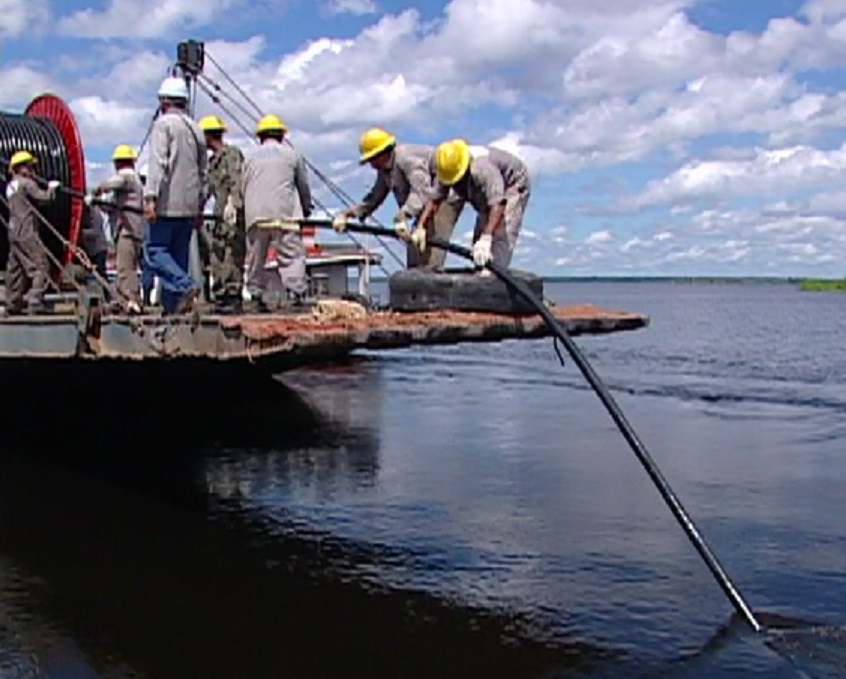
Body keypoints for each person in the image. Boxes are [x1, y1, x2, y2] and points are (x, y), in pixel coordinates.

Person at [333, 127, 463, 269]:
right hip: (425, 202)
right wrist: (348, 214)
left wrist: (403, 214)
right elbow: (374, 197)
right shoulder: (385, 170)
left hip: (445, 196)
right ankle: (414, 283)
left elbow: (422, 191)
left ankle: (431, 278)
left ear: (382, 153)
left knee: (430, 248)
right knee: (414, 248)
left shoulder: (405, 159)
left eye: (372, 159)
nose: (371, 165)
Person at [143, 76, 207, 314]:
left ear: (165, 100)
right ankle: (173, 310)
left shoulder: (164, 125)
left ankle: (186, 285)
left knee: (155, 252)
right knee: (178, 257)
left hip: (167, 203)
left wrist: (150, 197)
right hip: (189, 206)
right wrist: (199, 205)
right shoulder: (196, 129)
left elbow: (158, 163)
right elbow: (203, 172)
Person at [418, 139, 531, 270]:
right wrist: (421, 226)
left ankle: (495, 274)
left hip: (512, 184)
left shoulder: (481, 168)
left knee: (497, 241)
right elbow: (435, 199)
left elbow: (498, 203)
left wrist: (487, 237)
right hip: (487, 195)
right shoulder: (447, 170)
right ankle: (482, 271)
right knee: (478, 249)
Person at [242, 114, 312, 310]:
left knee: (256, 257)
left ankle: (256, 294)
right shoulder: (293, 155)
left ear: (260, 137)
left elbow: (243, 185)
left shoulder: (249, 157)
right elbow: (303, 186)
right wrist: (306, 208)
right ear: (282, 135)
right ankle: (295, 292)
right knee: (291, 255)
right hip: (285, 213)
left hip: (256, 214)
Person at [90, 144, 145, 312]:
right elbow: (113, 206)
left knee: (125, 267)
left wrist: (97, 190)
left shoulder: (128, 176)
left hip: (127, 231)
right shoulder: (129, 188)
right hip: (130, 229)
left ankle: (131, 300)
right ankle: (122, 300)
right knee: (125, 266)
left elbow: (116, 182)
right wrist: (99, 204)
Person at [199, 114, 245, 313]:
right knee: (217, 254)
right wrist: (198, 208)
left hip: (232, 212)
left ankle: (232, 295)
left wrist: (234, 204)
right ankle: (221, 294)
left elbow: (237, 180)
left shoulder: (231, 154)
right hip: (219, 214)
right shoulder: (213, 162)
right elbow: (207, 188)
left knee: (232, 255)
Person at [3, 150, 59, 315]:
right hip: (27, 231)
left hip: (13, 232)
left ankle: (13, 303)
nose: (33, 170)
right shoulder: (27, 183)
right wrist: (51, 188)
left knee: (16, 269)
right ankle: (35, 302)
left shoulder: (10, 186)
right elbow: (44, 199)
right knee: (41, 265)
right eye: (30, 166)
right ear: (21, 168)